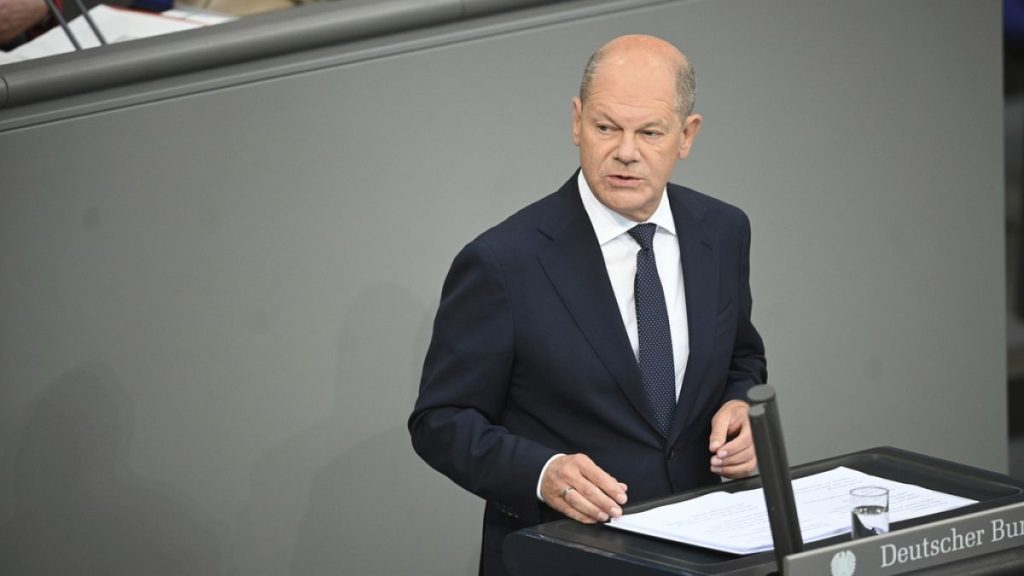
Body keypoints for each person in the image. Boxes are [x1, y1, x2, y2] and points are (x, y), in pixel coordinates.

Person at [408, 34, 767, 576]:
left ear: (686, 135)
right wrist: (541, 471)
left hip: (701, 551)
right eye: (606, 127)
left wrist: (742, 411)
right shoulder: (503, 261)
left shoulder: (722, 230)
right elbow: (440, 420)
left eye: (649, 132)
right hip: (564, 555)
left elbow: (740, 357)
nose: (626, 151)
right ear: (576, 122)